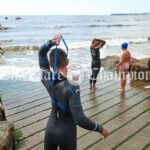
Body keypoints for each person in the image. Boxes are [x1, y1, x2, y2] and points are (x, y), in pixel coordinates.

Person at [38, 34, 108, 150]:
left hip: (50, 128)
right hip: (66, 133)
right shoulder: (72, 86)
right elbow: (79, 118)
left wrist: (51, 42)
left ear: (50, 64)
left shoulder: (45, 77)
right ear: (67, 62)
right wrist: (100, 129)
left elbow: (41, 52)